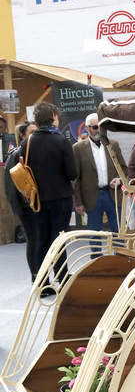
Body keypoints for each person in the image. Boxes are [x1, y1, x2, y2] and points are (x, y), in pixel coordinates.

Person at [21, 102, 76, 294]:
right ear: (53, 117)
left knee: (41, 239)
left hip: (37, 200)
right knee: (59, 240)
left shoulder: (26, 143)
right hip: (60, 198)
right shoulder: (61, 142)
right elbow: (72, 173)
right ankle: (62, 279)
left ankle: (42, 283)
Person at [73, 113, 127, 234]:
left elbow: (124, 169)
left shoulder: (113, 144)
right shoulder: (78, 148)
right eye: (95, 127)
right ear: (87, 128)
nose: (99, 131)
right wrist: (78, 202)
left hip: (113, 195)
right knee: (94, 234)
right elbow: (75, 178)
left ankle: (119, 253)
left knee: (118, 232)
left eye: (102, 127)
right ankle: (96, 254)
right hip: (91, 197)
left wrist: (119, 179)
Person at [3, 120, 39, 279]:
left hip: (38, 205)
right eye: (32, 132)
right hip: (26, 208)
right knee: (33, 240)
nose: (35, 135)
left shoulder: (36, 152)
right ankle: (34, 274)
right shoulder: (16, 154)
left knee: (41, 240)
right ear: (23, 135)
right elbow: (10, 186)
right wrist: (19, 208)